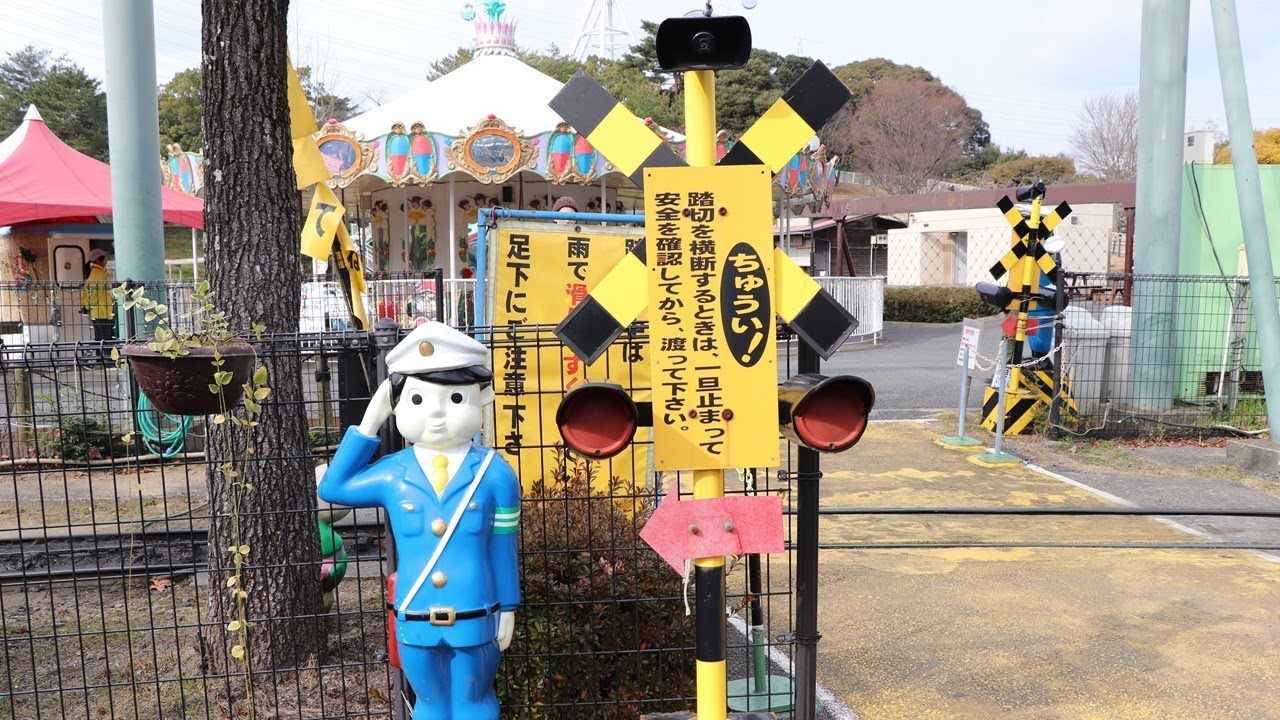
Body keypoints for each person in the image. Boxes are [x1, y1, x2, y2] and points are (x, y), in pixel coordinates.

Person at [319, 322, 520, 720]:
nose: (437, 415)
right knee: (428, 704)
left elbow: (503, 545)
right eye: (416, 399)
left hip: (475, 611)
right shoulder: (394, 473)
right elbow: (333, 487)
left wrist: (509, 606)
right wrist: (371, 418)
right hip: (414, 613)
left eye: (455, 398)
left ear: (483, 398)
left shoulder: (495, 473)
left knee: (474, 703)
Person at [82, 248, 114, 341]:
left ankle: (101, 354)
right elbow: (95, 293)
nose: (107, 260)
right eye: (105, 258)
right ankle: (102, 355)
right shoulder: (98, 273)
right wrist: (87, 306)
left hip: (99, 311)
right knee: (103, 339)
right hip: (101, 311)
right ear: (99, 259)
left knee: (101, 338)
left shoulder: (97, 272)